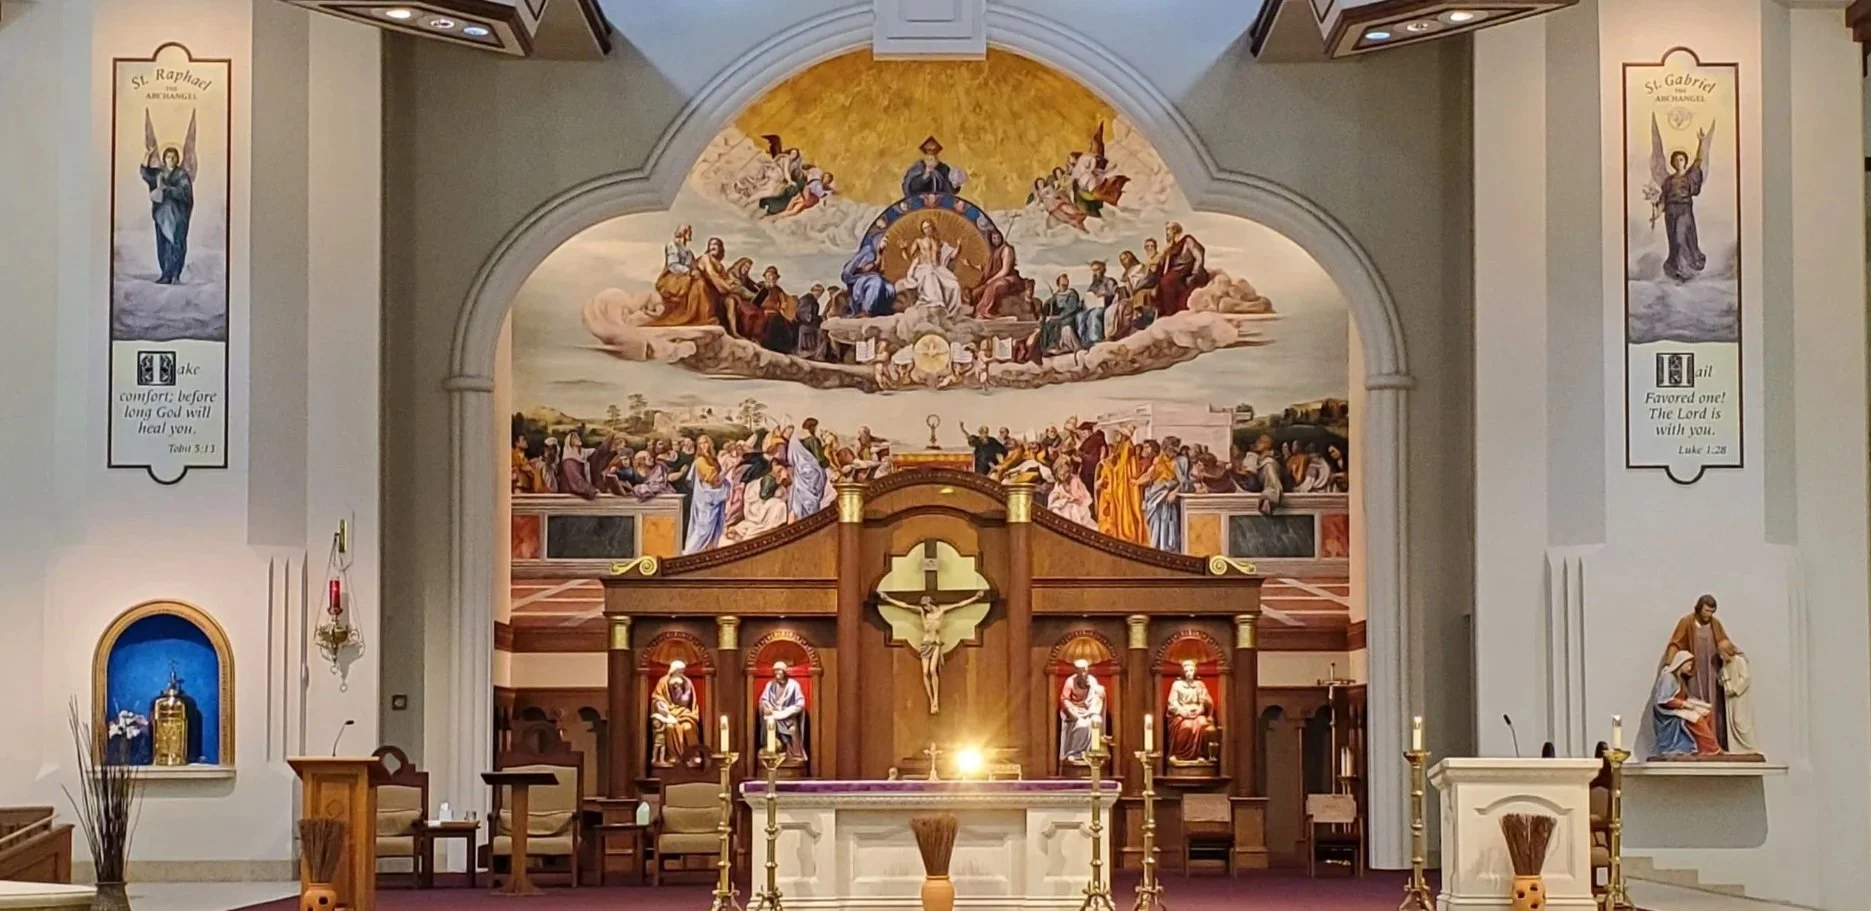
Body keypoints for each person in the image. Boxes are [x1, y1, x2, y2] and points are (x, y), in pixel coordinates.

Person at [1659, 594, 1740, 747]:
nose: (1709, 615)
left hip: (1712, 670)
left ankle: (1714, 741)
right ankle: (1699, 744)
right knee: (1694, 699)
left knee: (1713, 703)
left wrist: (1734, 656)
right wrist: (1669, 663)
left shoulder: (1715, 624)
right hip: (1693, 671)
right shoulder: (1686, 622)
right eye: (1706, 611)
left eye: (1712, 612)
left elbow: (1724, 643)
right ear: (1699, 608)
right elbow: (1676, 643)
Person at [140, 129, 196, 285]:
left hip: (177, 217)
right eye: (168, 157)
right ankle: (165, 274)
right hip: (161, 216)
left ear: (177, 159)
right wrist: (147, 156)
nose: (170, 159)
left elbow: (185, 193)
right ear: (164, 159)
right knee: (163, 244)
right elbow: (145, 174)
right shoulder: (159, 173)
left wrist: (167, 190)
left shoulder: (182, 175)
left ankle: (176, 274)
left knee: (177, 244)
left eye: (173, 157)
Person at [649, 234, 737, 327]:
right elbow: (713, 276)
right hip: (699, 287)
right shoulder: (706, 258)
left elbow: (724, 279)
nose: (713, 247)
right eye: (711, 244)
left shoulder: (719, 264)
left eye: (716, 244)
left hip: (715, 290)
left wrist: (731, 284)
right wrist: (729, 288)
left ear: (721, 248)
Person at [1652, 650, 1721, 757]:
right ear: (1681, 663)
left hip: (1678, 707)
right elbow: (1664, 700)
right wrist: (1686, 705)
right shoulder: (1668, 677)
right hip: (1668, 711)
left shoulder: (1679, 678)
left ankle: (1703, 748)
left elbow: (1686, 697)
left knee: (1707, 713)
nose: (1690, 667)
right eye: (1688, 664)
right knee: (1697, 719)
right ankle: (1710, 748)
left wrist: (1702, 705)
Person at [894, 218, 966, 314]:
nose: (927, 230)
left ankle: (952, 312)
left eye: (928, 227)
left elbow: (952, 255)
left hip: (938, 269)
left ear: (933, 228)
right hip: (924, 269)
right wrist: (904, 249)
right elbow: (909, 257)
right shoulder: (919, 242)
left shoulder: (939, 243)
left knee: (955, 285)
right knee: (930, 275)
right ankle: (935, 303)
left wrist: (959, 246)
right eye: (925, 228)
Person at [681, 436, 732, 554]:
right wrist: (727, 470)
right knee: (704, 528)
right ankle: (690, 553)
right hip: (706, 499)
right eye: (701, 444)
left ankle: (709, 551)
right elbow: (714, 480)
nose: (704, 446)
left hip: (714, 496)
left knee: (714, 527)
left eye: (706, 443)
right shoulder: (700, 461)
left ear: (710, 444)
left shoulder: (712, 458)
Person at [650, 660, 705, 768]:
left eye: (682, 671)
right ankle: (673, 757)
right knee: (670, 727)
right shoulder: (663, 681)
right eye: (679, 671)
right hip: (669, 712)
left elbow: (688, 700)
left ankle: (693, 755)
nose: (681, 673)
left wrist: (680, 691)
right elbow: (657, 697)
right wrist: (661, 705)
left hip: (684, 712)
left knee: (688, 728)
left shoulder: (687, 682)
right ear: (673, 670)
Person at [1165, 659, 1217, 764]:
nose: (1189, 673)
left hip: (1197, 713)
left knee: (1202, 723)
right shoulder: (1177, 684)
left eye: (1191, 670)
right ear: (1183, 672)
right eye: (1187, 671)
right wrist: (1182, 711)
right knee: (1187, 726)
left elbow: (1205, 700)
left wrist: (1200, 709)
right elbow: (1172, 702)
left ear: (1195, 671)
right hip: (1182, 714)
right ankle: (1179, 755)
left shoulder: (1200, 684)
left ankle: (1200, 754)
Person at [1058, 659, 1106, 765]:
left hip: (1089, 710)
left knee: (1095, 722)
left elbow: (1097, 696)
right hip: (1075, 710)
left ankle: (1092, 752)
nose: (1083, 673)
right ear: (1076, 671)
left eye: (1084, 671)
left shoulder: (1091, 680)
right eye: (1080, 671)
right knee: (1081, 725)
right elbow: (1064, 699)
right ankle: (1075, 753)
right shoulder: (1070, 681)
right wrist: (1071, 711)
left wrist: (1099, 691)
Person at [1154, 222, 1208, 317]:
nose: (1167, 233)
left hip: (1187, 272)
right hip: (1177, 274)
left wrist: (1194, 274)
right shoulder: (1171, 247)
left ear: (1175, 230)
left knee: (1166, 281)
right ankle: (1165, 311)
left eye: (1168, 229)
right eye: (1166, 230)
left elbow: (1199, 257)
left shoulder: (1187, 240)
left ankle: (1171, 311)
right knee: (1163, 282)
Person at [758, 661, 808, 762]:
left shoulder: (794, 685)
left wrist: (788, 711)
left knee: (792, 729)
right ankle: (772, 753)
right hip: (773, 715)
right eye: (775, 670)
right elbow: (763, 700)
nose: (777, 673)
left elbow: (800, 703)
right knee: (769, 724)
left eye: (779, 670)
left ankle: (792, 754)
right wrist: (766, 708)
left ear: (785, 672)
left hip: (789, 717)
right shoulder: (770, 685)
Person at [841, 236, 897, 317]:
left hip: (874, 279)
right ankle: (865, 311)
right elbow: (847, 273)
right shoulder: (867, 251)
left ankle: (879, 312)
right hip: (861, 283)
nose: (885, 244)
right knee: (875, 282)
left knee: (890, 288)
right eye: (884, 240)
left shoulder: (881, 254)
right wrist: (855, 278)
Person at [972, 231, 1023, 318]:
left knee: (996, 285)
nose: (996, 240)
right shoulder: (994, 251)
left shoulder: (1006, 250)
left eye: (998, 238)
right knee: (977, 290)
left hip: (1009, 278)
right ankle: (978, 310)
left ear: (1002, 237)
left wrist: (992, 280)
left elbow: (1005, 270)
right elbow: (987, 269)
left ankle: (986, 310)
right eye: (994, 238)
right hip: (996, 277)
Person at [787, 419, 828, 521]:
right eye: (815, 427)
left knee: (798, 500)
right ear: (812, 427)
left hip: (800, 473)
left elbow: (791, 459)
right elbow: (820, 460)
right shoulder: (812, 440)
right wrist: (828, 462)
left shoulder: (794, 439)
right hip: (813, 473)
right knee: (813, 501)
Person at [901, 136, 966, 196]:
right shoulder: (918, 167)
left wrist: (955, 184)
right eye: (929, 150)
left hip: (939, 203)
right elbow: (911, 187)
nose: (931, 155)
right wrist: (926, 175)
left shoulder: (943, 169)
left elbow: (949, 190)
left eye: (934, 150)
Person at [1037, 274, 1083, 356]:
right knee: (1047, 324)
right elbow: (1048, 304)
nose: (1064, 286)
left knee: (1056, 323)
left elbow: (1070, 308)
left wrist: (1058, 317)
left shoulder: (1072, 294)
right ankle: (1045, 348)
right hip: (1058, 317)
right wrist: (1044, 314)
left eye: (1066, 284)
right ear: (1058, 285)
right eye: (1062, 284)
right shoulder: (1056, 295)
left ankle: (1055, 346)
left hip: (1069, 317)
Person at [1046, 456, 1096, 527]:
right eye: (1061, 474)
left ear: (1069, 470)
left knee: (1074, 510)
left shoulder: (1075, 480)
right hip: (1064, 509)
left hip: (1079, 508)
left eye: (1066, 473)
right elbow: (1053, 498)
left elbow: (1085, 497)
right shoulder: (1058, 486)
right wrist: (1063, 500)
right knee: (1057, 509)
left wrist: (1075, 499)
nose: (1063, 476)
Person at [1080, 260, 1119, 346]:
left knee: (1094, 314)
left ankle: (1096, 340)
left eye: (1097, 269)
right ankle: (1084, 342)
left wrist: (1104, 295)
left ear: (1103, 270)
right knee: (1080, 316)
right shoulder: (1093, 285)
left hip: (1106, 306)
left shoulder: (1109, 281)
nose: (1095, 273)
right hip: (1092, 306)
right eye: (1093, 270)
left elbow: (1114, 294)